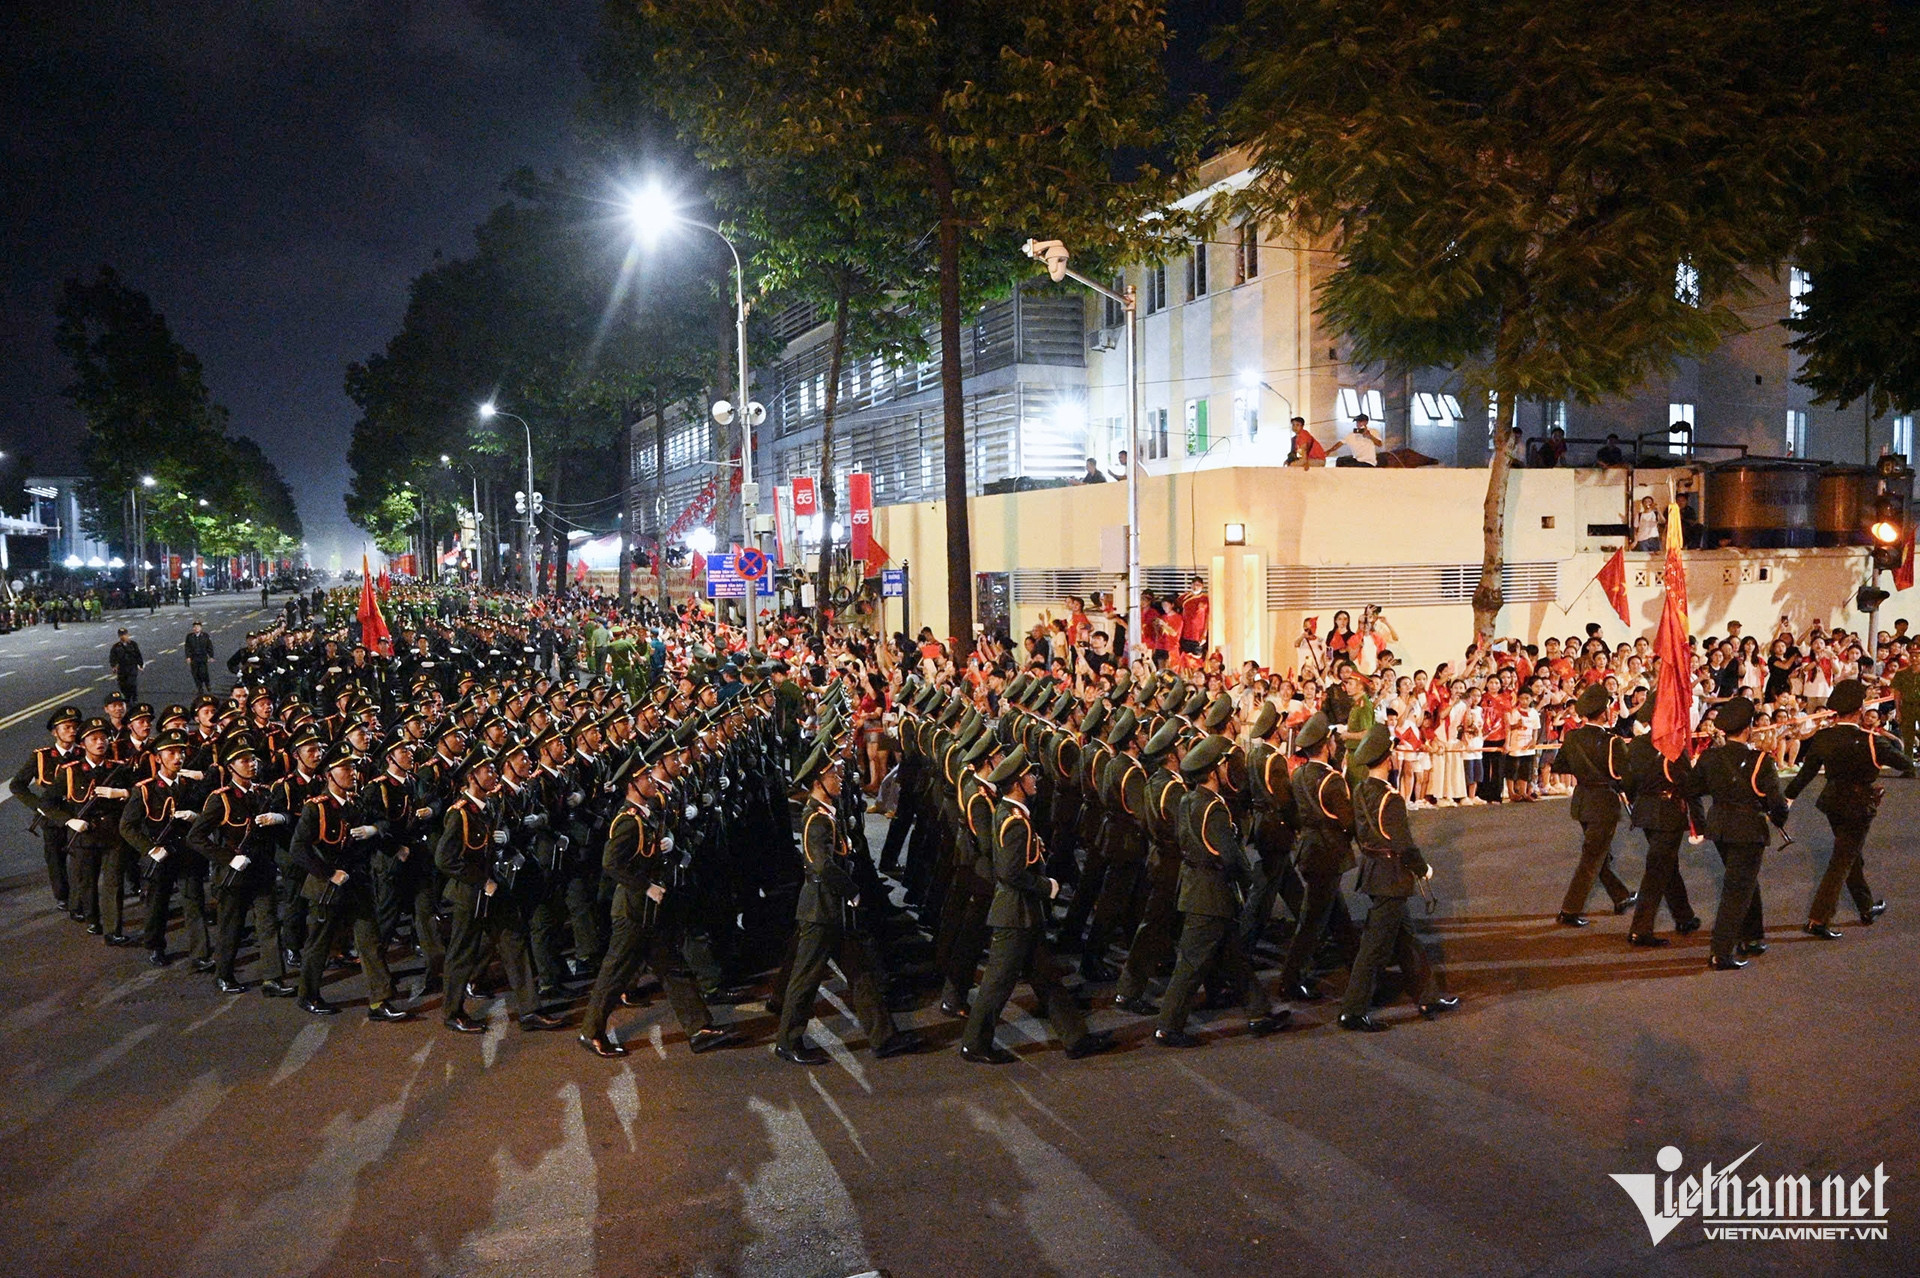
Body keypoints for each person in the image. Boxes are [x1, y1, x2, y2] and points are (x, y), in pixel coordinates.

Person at [959, 745, 1113, 1064]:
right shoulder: (1015, 821)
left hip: (1023, 915)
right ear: (1017, 782)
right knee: (996, 984)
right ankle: (974, 1043)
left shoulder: (1009, 811)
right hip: (1015, 915)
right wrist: (1048, 886)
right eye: (1029, 775)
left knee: (1047, 980)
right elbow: (1010, 872)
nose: (1034, 779)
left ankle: (1076, 1038)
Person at [769, 744, 919, 1063]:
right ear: (817, 781)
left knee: (860, 970)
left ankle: (883, 1036)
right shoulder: (815, 819)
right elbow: (822, 866)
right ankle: (787, 1040)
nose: (839, 778)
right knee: (805, 979)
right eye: (832, 774)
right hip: (822, 910)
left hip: (834, 910)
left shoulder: (826, 813)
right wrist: (851, 889)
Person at [1151, 733, 1289, 1046]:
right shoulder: (1214, 807)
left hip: (1199, 888)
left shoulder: (1189, 798)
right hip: (1210, 894)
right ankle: (1168, 1026)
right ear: (1214, 773)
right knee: (1189, 963)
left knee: (1235, 957)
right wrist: (1249, 880)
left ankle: (1258, 1013)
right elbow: (1229, 854)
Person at [1338, 725, 1454, 1030]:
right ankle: (1352, 1010)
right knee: (1373, 948)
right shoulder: (1391, 799)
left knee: (1406, 939)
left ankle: (1428, 996)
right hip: (1391, 876)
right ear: (1387, 759)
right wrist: (1422, 869)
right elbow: (1403, 844)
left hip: (1374, 871)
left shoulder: (1361, 790)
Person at [1784, 678, 1913, 936]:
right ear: (1860, 710)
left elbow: (1805, 775)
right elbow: (1904, 763)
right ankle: (1818, 919)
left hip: (1832, 801)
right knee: (1842, 860)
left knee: (1850, 854)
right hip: (1858, 805)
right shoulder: (1870, 740)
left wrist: (1786, 800)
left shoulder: (1823, 738)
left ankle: (1866, 907)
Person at [1686, 697, 1791, 970]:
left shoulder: (1710, 756)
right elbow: (1777, 804)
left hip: (1720, 827)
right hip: (1747, 829)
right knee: (1737, 890)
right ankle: (1721, 952)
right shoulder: (1760, 761)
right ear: (1748, 729)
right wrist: (1777, 818)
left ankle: (1752, 936)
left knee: (1745, 881)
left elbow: (1692, 789)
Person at [1554, 684, 1636, 925]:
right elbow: (1626, 777)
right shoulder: (1612, 742)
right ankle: (1569, 910)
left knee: (1598, 853)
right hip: (1604, 803)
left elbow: (1560, 766)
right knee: (1592, 858)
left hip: (1582, 801)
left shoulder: (1572, 737)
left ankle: (1620, 896)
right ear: (1603, 713)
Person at [11, 705, 82, 909]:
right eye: (66, 727)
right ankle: (63, 897)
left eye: (75, 727)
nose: (72, 731)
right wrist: (39, 806)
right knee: (56, 859)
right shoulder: (42, 756)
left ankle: (81, 898)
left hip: (78, 814)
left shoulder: (83, 753)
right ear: (55, 732)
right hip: (52, 816)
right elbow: (17, 785)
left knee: (81, 861)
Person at [109, 627, 144, 702]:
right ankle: (126, 697)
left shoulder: (133, 644)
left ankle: (134, 697)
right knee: (122, 684)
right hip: (122, 667)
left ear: (127, 635)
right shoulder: (116, 646)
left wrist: (140, 664)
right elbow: (112, 657)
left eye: (124, 634)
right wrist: (113, 666)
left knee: (131, 682)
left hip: (132, 666)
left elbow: (138, 654)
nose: (123, 636)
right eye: (121, 635)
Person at [184, 619, 214, 694]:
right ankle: (199, 688)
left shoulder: (205, 636)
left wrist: (211, 656)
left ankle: (207, 684)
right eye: (195, 626)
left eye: (198, 626)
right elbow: (187, 647)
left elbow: (209, 646)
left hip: (202, 657)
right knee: (195, 673)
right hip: (194, 658)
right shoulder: (189, 636)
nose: (196, 628)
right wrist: (188, 657)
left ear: (201, 628)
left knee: (203, 672)